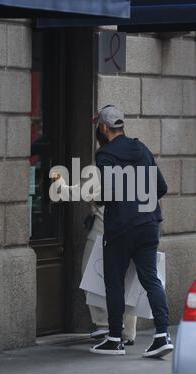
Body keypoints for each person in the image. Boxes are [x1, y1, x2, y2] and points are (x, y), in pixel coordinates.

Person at [90, 105, 173, 358]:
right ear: (121, 125)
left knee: (114, 282)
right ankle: (162, 335)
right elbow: (161, 187)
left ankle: (115, 338)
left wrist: (97, 199)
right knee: (151, 279)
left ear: (104, 128)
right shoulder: (142, 149)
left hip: (121, 228)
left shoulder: (104, 155)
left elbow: (111, 191)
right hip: (149, 225)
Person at [50, 126, 137, 345]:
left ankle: (104, 325)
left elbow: (82, 191)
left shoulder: (103, 162)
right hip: (133, 226)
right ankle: (128, 331)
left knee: (92, 273)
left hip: (104, 227)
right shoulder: (134, 159)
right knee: (126, 278)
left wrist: (59, 184)